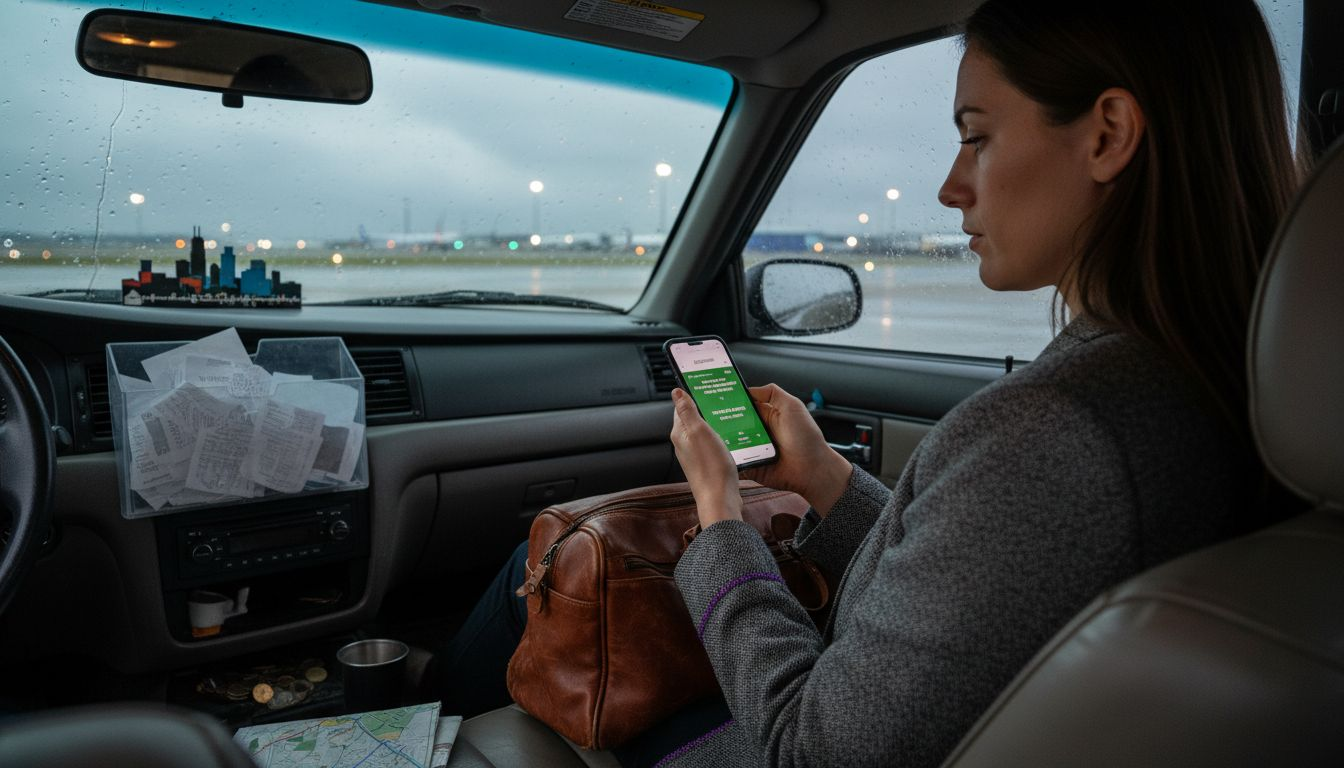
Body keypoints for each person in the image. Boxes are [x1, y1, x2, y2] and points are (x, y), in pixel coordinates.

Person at [424, 0, 1299, 765]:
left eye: (977, 136)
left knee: (534, 575)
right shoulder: (1236, 390)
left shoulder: (1052, 431)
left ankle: (392, 731)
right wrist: (825, 478)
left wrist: (719, 520)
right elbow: (974, 595)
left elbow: (809, 748)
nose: (951, 186)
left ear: (1107, 134)